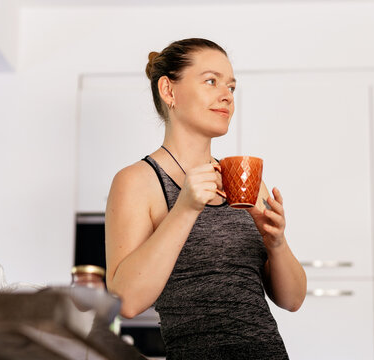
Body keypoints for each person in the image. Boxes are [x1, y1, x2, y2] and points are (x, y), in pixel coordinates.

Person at [105, 38, 307, 360]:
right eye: (211, 81)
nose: (226, 95)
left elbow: (293, 300)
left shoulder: (245, 179)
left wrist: (276, 241)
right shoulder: (137, 181)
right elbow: (125, 301)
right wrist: (185, 208)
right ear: (169, 91)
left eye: (231, 87)